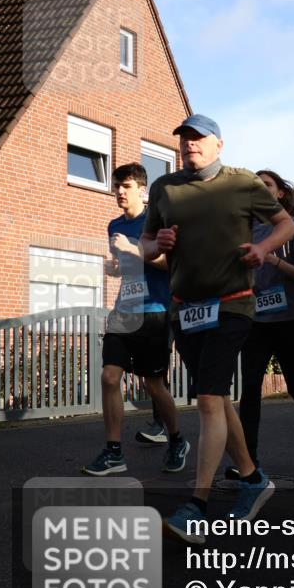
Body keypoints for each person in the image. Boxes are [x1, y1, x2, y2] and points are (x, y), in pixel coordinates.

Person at [142, 114, 294, 542]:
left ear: (218, 145)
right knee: (219, 401)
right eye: (184, 139)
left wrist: (263, 248)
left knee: (209, 399)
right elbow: (146, 245)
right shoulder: (164, 188)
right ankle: (252, 478)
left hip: (232, 305)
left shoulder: (242, 183)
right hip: (184, 309)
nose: (190, 145)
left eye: (198, 138)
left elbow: (284, 224)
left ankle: (197, 504)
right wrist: (158, 247)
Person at [83, 162, 186, 476]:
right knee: (109, 377)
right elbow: (126, 267)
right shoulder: (114, 225)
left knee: (153, 384)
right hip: (123, 311)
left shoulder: (157, 222)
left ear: (142, 190)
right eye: (116, 186)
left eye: (125, 187)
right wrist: (115, 267)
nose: (119, 193)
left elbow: (172, 265)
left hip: (154, 312)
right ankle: (114, 452)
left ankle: (177, 439)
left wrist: (133, 250)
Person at [230, 170, 294, 477]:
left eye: (266, 185)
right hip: (255, 321)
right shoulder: (243, 230)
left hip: (288, 319)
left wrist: (274, 261)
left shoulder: (292, 227)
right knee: (251, 388)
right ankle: (250, 462)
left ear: (280, 193)